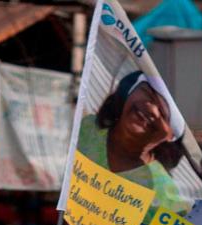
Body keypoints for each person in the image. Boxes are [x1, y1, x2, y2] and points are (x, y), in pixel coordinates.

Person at [76, 70, 188, 212]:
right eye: (148, 94)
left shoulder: (161, 192)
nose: (152, 110)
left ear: (169, 136)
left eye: (163, 113)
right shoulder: (87, 129)